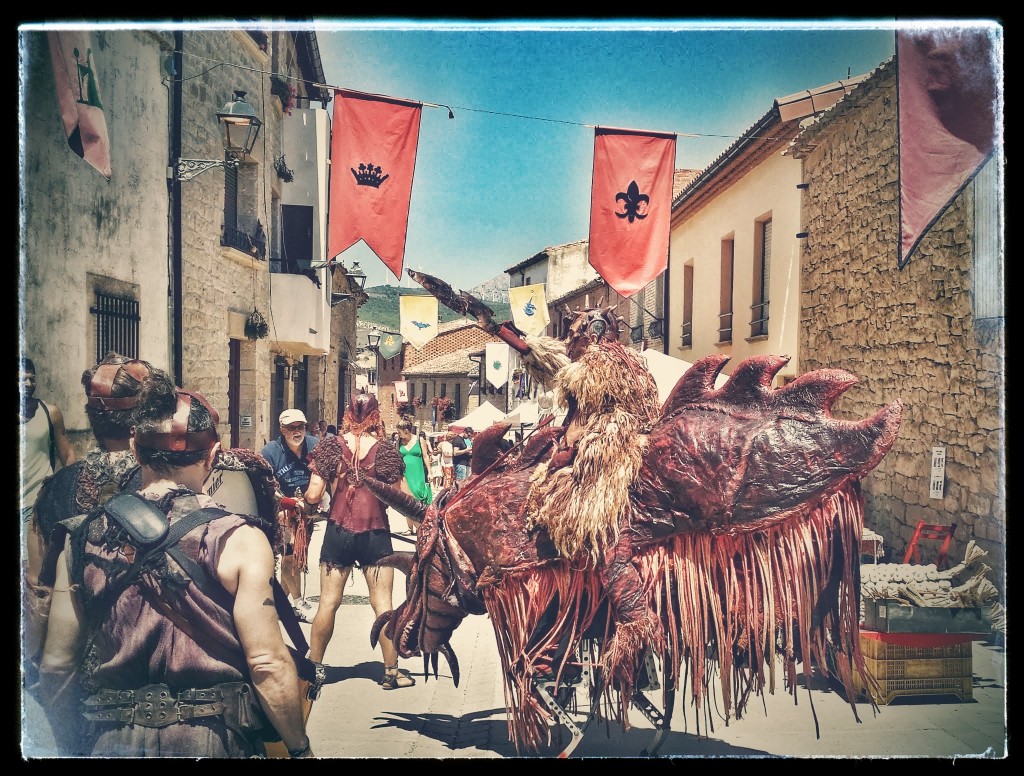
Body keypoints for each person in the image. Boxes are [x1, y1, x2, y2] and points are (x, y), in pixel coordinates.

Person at [35, 378, 312, 758]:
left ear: (135, 449)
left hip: (111, 739)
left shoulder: (82, 537)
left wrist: (67, 742)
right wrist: (299, 748)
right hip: (214, 739)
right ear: (213, 455)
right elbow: (266, 663)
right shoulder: (238, 538)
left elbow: (55, 665)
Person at [24, 354, 161, 683]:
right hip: (161, 669)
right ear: (140, 421)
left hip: (85, 681)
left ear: (92, 419)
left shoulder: (55, 492)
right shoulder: (168, 482)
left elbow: (38, 590)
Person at [303, 393, 415, 690]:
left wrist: (309, 501)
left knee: (328, 603)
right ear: (376, 417)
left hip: (338, 533)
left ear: (347, 416)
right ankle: (391, 673)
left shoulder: (329, 447)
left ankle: (315, 670)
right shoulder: (386, 451)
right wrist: (418, 523)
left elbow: (313, 495)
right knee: (383, 605)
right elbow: (405, 500)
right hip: (375, 535)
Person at [260, 409, 320, 623]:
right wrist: (288, 503)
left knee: (297, 559)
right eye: (292, 428)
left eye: (301, 427)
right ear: (282, 430)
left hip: (308, 514)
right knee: (289, 558)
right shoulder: (270, 452)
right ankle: (298, 602)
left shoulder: (315, 445)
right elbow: (267, 486)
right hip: (283, 513)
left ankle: (280, 606)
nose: (297, 432)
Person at [20, 357, 76, 533]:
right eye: (22, 379)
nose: (29, 384)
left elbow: (67, 454)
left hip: (36, 502)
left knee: (29, 560)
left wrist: (70, 490)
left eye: (32, 378)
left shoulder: (49, 413)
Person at [396, 420, 432, 535]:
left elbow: (425, 456)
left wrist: (430, 472)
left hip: (418, 472)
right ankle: (410, 527)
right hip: (405, 473)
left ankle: (419, 525)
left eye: (399, 432)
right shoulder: (399, 442)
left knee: (418, 496)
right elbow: (396, 457)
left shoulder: (419, 440)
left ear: (406, 431)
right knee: (407, 498)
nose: (398, 434)